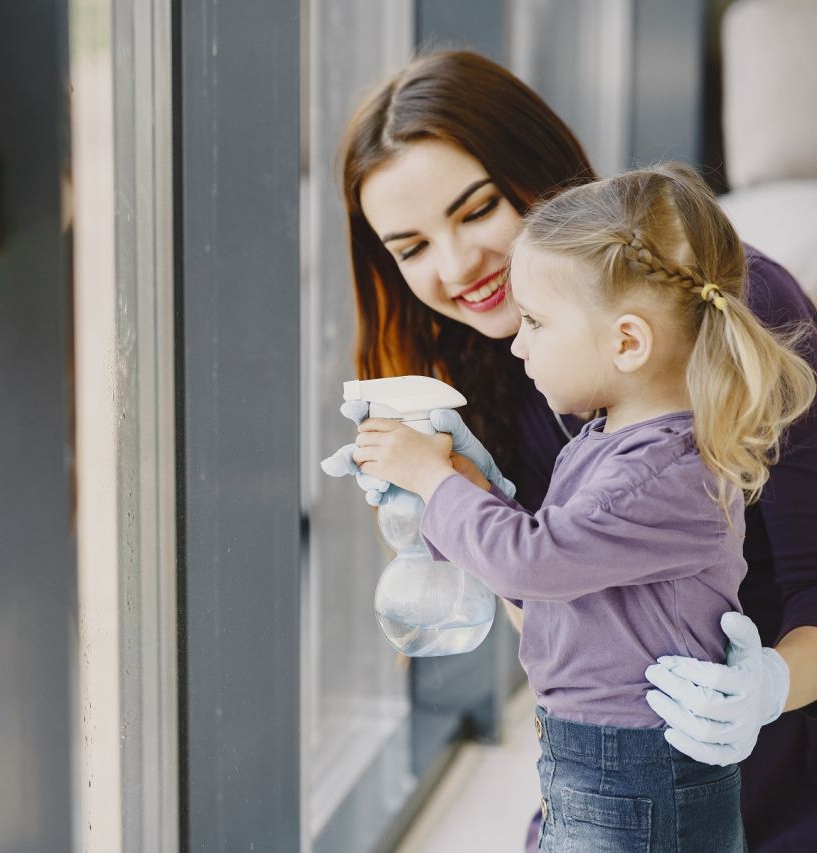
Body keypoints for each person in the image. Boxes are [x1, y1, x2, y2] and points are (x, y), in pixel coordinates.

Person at [326, 51, 817, 851]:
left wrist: (765, 687)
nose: (457, 268)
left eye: (477, 208)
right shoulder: (496, 359)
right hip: (603, 762)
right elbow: (563, 602)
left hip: (771, 749)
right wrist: (461, 490)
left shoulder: (721, 315)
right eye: (411, 247)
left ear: (542, 176)